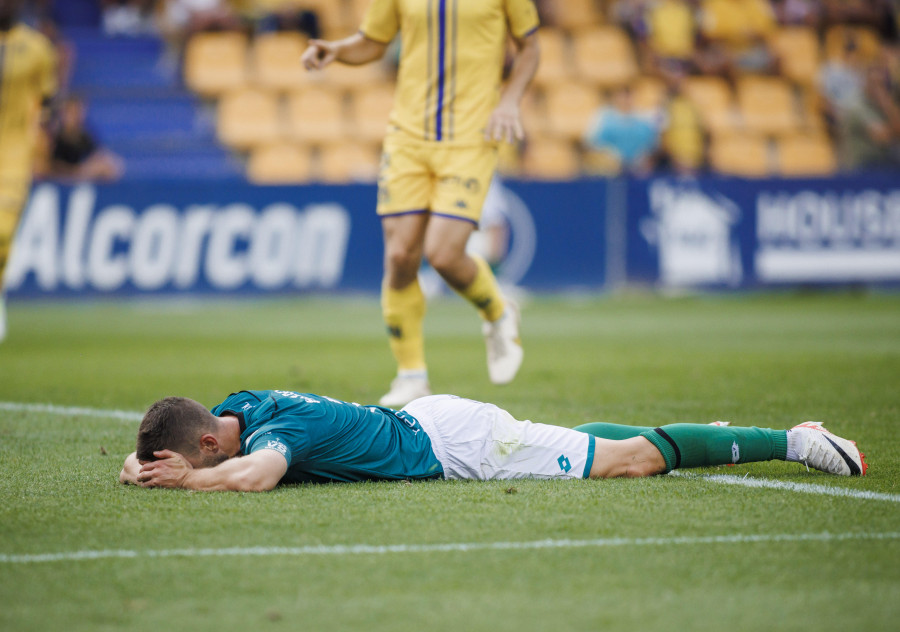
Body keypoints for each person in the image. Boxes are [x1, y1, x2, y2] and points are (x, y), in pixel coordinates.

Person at [300, 0, 541, 408]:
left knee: (444, 254)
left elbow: (530, 47)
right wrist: (338, 49)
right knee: (399, 255)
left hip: (471, 136)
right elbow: (372, 42)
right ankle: (411, 375)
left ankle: (498, 311)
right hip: (407, 137)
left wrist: (509, 99)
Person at [120, 389, 867, 492]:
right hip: (433, 422)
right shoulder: (235, 408)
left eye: (191, 461)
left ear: (212, 447)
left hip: (459, 449)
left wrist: (183, 481)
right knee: (575, 440)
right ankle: (701, 436)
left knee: (631, 464)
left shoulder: (274, 435)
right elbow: (222, 454)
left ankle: (793, 440)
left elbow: (255, 478)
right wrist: (141, 464)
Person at [0, 0, 57, 343]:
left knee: (3, 231)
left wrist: (42, 145)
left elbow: (48, 100)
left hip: (13, 154)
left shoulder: (37, 48)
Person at [47, 95, 124, 182]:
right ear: (63, 113)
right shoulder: (53, 136)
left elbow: (106, 161)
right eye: (72, 112)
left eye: (79, 112)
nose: (76, 117)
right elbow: (46, 166)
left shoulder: (85, 136)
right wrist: (75, 172)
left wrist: (85, 170)